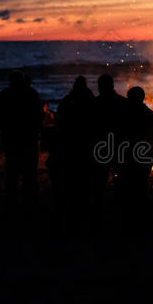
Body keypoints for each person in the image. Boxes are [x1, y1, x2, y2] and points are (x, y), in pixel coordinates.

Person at [47, 76, 95, 218]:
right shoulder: (90, 100)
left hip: (69, 145)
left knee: (67, 183)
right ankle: (82, 209)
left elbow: (60, 121)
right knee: (83, 180)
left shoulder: (67, 101)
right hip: (84, 144)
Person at [0, 71, 43, 205]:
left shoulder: (4, 95)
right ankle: (31, 205)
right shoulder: (31, 94)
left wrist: (3, 134)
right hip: (29, 140)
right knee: (30, 175)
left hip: (12, 141)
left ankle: (12, 204)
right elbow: (40, 116)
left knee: (12, 175)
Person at [121, 86, 153, 217]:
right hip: (146, 155)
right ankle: (141, 214)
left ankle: (129, 214)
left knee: (127, 186)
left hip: (128, 155)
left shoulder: (124, 115)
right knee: (141, 185)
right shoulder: (150, 115)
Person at [91, 74, 128, 206]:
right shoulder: (123, 102)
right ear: (112, 85)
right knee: (119, 177)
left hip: (100, 147)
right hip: (119, 145)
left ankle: (97, 205)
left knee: (99, 179)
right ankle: (120, 204)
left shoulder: (94, 104)